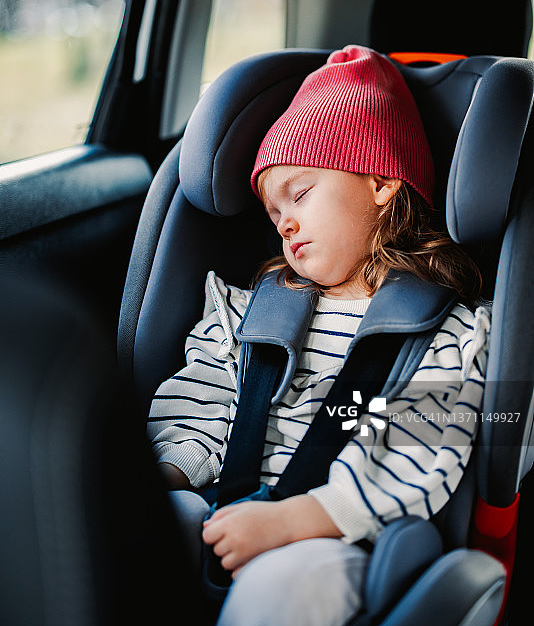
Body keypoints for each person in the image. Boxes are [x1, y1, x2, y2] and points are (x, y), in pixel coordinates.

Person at [147, 45, 490, 626]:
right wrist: (164, 480)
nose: (285, 222)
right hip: (228, 507)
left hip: (339, 538)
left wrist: (294, 521)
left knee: (284, 584)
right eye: (273, 211)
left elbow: (422, 439)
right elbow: (203, 403)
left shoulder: (447, 331)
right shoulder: (247, 315)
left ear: (382, 181)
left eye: (300, 194)